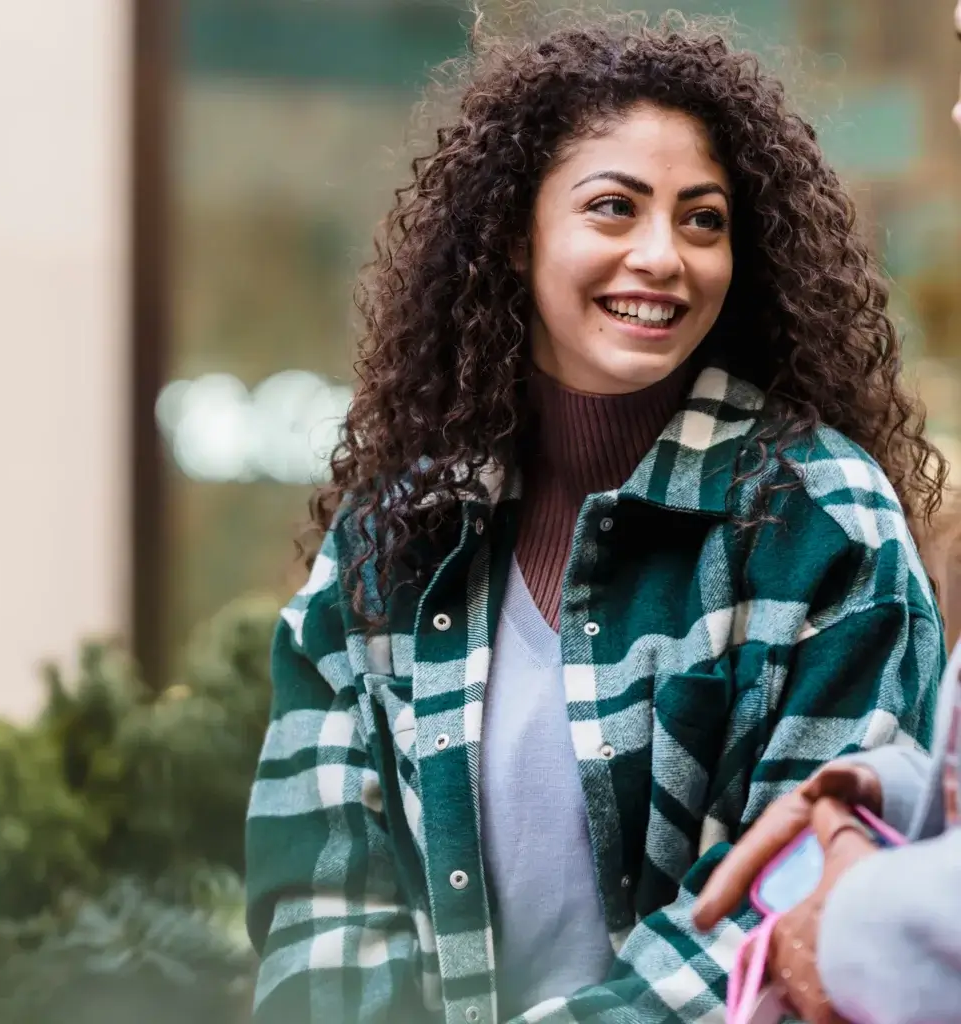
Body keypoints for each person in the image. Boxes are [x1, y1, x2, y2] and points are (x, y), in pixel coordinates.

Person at [245, 15, 949, 1024]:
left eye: (702, 219)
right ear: (512, 235)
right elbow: (318, 899)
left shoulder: (822, 522)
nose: (662, 255)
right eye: (613, 208)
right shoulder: (386, 542)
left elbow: (794, 910)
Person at [693, 6, 961, 1023]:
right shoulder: (404, 523)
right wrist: (880, 789)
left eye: (705, 218)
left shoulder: (822, 511)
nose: (952, 103)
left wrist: (842, 905)